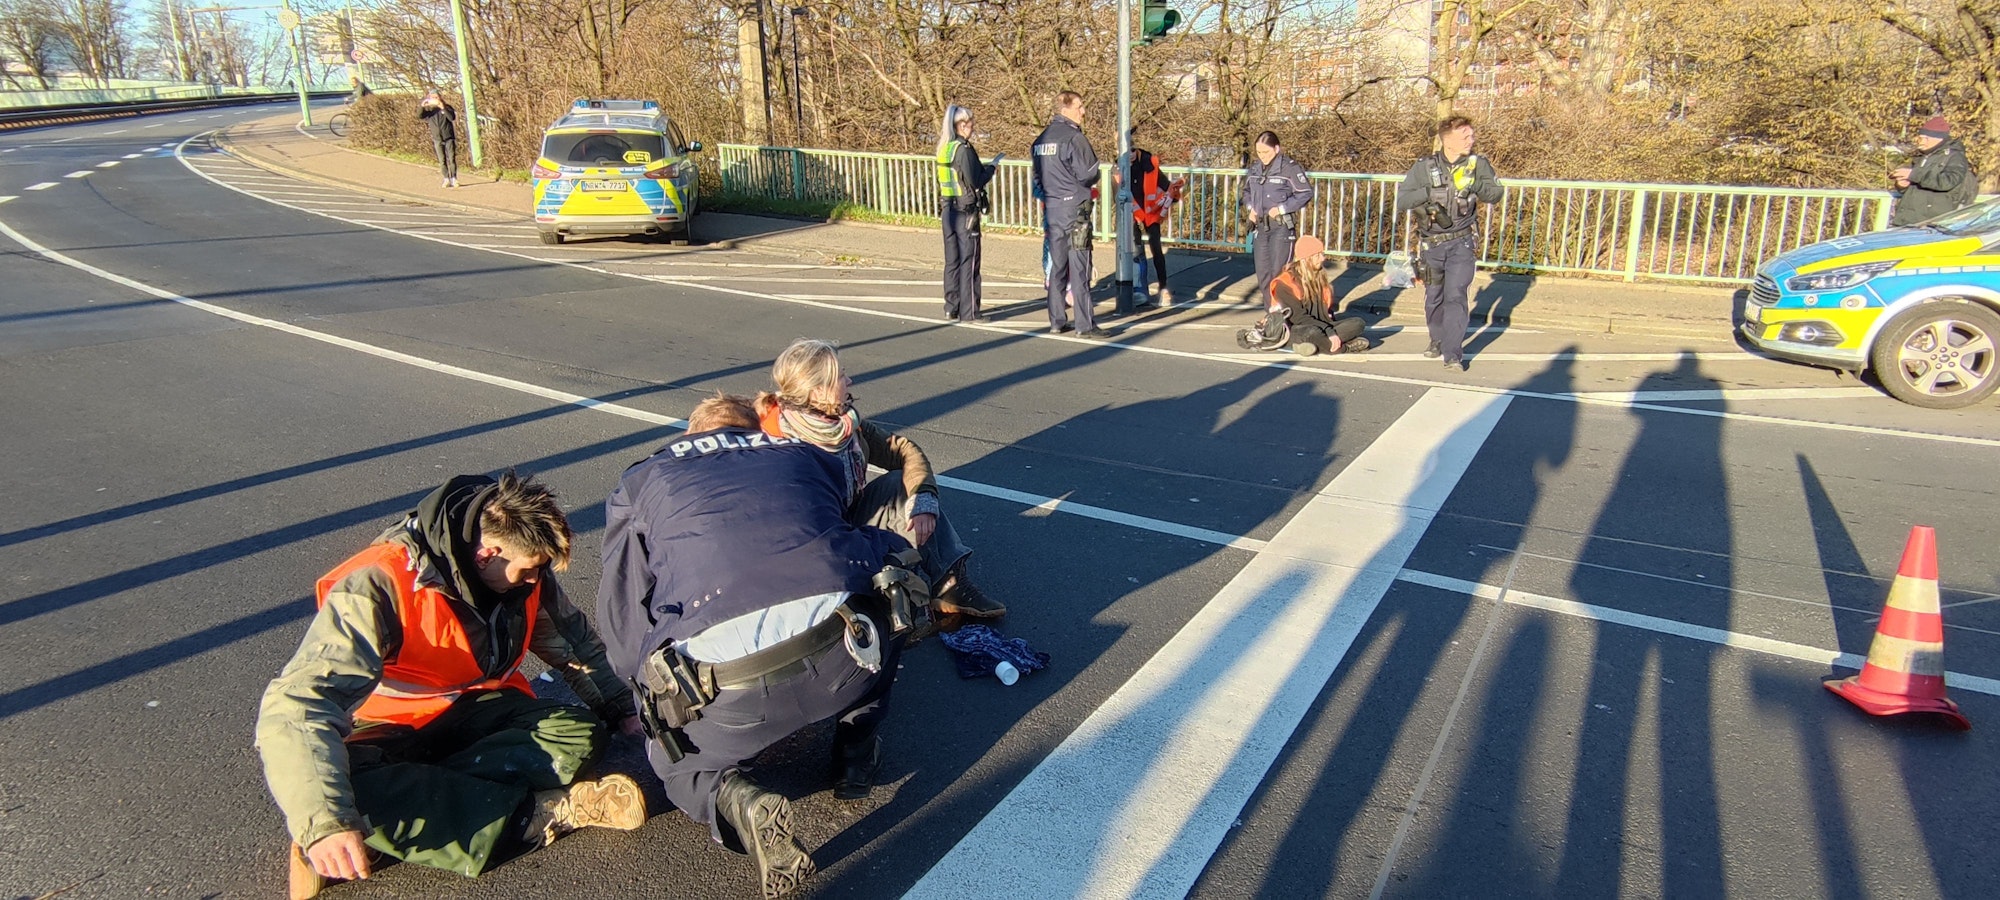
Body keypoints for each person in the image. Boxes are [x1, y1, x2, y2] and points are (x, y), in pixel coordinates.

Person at [256, 472, 646, 898]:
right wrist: (324, 821)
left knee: (578, 734)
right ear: (486, 555)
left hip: (475, 713)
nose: (537, 581)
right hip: (388, 731)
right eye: (529, 571)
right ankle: (544, 813)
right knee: (349, 793)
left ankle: (409, 812)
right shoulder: (378, 585)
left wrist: (622, 707)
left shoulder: (524, 570)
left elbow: (574, 645)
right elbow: (297, 705)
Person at [598, 394, 920, 899]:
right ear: (756, 430)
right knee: (883, 601)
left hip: (732, 691)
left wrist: (645, 695)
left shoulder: (643, 481)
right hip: (846, 655)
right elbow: (854, 541)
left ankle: (736, 799)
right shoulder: (800, 456)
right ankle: (855, 757)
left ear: (690, 434)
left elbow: (623, 617)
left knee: (675, 762)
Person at [754, 338, 1004, 618]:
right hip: (812, 544)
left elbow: (902, 450)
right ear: (816, 392)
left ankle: (948, 585)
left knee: (901, 483)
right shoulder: (776, 444)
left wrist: (923, 498)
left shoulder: (844, 423)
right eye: (840, 376)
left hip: (846, 519)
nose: (849, 380)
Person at [1396, 115, 1503, 371]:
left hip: (1462, 243)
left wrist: (1475, 183)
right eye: (1464, 136)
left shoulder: (1478, 165)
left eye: (1471, 135)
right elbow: (1402, 201)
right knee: (1434, 296)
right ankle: (1437, 339)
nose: (1471, 139)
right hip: (1431, 245)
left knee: (1455, 296)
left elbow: (1496, 194)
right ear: (1447, 140)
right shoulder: (1424, 166)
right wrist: (1428, 193)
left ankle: (1453, 353)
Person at [1032, 91, 1110, 339]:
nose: (1083, 111)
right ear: (1066, 109)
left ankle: (1056, 320)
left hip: (1053, 209)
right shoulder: (1074, 138)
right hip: (1076, 209)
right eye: (1079, 106)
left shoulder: (1040, 141)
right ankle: (1084, 325)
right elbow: (1089, 173)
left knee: (1057, 266)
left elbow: (1037, 178)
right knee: (1080, 267)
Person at [1236, 235, 1372, 356]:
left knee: (1358, 323)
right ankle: (1344, 348)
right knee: (1312, 333)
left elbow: (1327, 314)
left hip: (1322, 325)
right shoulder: (1285, 283)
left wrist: (1329, 329)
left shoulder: (1319, 278)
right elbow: (1299, 318)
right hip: (1295, 328)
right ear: (1307, 259)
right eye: (1318, 255)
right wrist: (1330, 333)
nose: (1323, 258)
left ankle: (1316, 346)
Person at [937, 104, 998, 323]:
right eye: (971, 123)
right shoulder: (963, 149)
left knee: (951, 260)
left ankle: (951, 306)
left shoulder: (945, 148)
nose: (973, 127)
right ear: (962, 125)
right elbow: (975, 179)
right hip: (966, 210)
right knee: (969, 261)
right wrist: (991, 170)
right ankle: (970, 311)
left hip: (948, 209)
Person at [1239, 131, 1313, 302]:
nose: (1262, 156)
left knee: (1279, 275)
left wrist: (1282, 208)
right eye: (1259, 152)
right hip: (1260, 227)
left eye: (1266, 152)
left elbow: (1305, 193)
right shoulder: (1255, 168)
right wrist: (1251, 208)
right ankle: (1271, 315)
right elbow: (1246, 192)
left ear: (1276, 148)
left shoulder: (1289, 168)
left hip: (1281, 228)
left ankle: (1284, 316)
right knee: (1264, 276)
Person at [1126, 129, 1184, 307]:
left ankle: (1163, 288)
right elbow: (1118, 192)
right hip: (1132, 212)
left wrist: (1172, 195)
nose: (1129, 157)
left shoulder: (1149, 163)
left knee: (1156, 249)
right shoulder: (1119, 166)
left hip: (1151, 213)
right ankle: (1139, 289)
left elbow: (1166, 186)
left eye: (1132, 152)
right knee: (1135, 251)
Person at [1890, 116, 1977, 227]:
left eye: (1925, 138)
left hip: (1931, 223)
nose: (1920, 142)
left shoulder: (1955, 157)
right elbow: (1917, 185)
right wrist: (1902, 186)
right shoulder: (1922, 156)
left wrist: (1913, 174)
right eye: (1919, 138)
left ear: (1938, 138)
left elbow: (1947, 182)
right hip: (1907, 220)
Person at [419, 90, 458, 188]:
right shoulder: (430, 111)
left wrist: (442, 107)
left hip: (449, 137)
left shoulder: (447, 107)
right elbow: (419, 116)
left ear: (440, 97)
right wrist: (422, 106)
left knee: (452, 159)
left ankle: (454, 178)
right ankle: (446, 178)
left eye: (436, 97)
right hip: (437, 138)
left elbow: (451, 117)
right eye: (432, 97)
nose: (434, 99)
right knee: (442, 160)